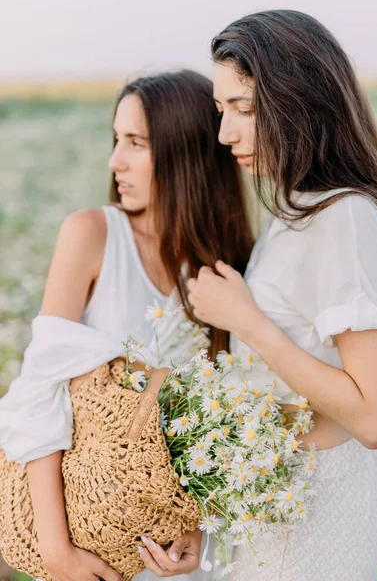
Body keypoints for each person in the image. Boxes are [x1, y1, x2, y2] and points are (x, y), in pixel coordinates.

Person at [0, 69, 254, 581]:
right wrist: (56, 551)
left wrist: (196, 524)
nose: (115, 161)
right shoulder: (92, 234)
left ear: (187, 152)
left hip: (157, 544)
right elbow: (39, 392)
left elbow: (210, 423)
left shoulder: (223, 267)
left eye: (136, 142)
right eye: (117, 140)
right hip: (70, 525)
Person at [187, 10, 377, 581]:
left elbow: (376, 416)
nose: (225, 133)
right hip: (277, 498)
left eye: (244, 109)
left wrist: (247, 321)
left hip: (321, 501)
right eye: (220, 109)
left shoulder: (347, 216)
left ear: (301, 104)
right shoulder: (296, 210)